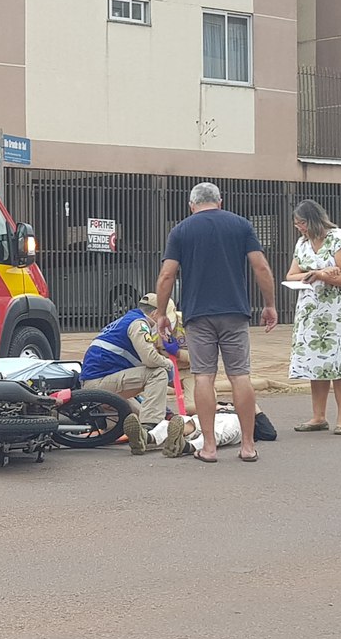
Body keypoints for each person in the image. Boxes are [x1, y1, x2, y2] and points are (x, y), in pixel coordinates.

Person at [150, 182, 278, 463]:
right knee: (239, 375)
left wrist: (161, 313)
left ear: (191, 204)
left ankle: (208, 446)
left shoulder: (181, 230)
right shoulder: (241, 225)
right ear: (220, 201)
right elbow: (261, 267)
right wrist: (269, 304)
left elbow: (167, 275)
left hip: (198, 315)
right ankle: (247, 446)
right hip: (235, 311)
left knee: (204, 376)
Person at [285, 199, 341, 435]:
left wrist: (324, 277)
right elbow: (292, 274)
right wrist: (317, 273)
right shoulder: (303, 243)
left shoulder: (339, 239)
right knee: (317, 362)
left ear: (313, 220)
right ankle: (318, 416)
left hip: (338, 313)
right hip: (311, 312)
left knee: (340, 363)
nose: (299, 228)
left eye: (301, 223)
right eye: (297, 224)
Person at [80, 293, 181, 454]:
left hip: (99, 382)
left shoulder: (124, 321)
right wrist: (168, 364)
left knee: (139, 415)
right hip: (100, 384)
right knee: (158, 373)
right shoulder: (138, 324)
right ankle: (150, 428)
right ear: (155, 314)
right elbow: (149, 359)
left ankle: (140, 437)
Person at [146, 402, 278, 459]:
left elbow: (270, 434)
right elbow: (190, 409)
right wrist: (218, 406)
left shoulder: (251, 417)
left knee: (216, 432)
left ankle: (186, 446)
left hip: (236, 423)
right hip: (211, 415)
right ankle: (147, 438)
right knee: (182, 419)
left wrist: (253, 407)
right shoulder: (223, 405)